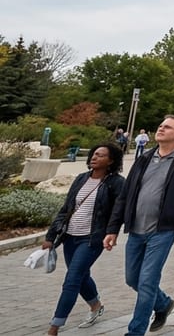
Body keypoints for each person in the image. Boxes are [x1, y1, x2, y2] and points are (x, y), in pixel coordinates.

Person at [104, 115, 174, 335]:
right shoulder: (144, 158)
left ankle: (135, 331)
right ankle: (163, 303)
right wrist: (112, 229)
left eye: (167, 127)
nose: (161, 129)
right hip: (135, 229)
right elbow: (125, 196)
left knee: (147, 281)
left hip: (163, 230)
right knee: (133, 279)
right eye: (160, 126)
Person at [43, 142, 126, 335]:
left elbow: (118, 212)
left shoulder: (116, 183)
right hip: (70, 237)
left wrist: (112, 232)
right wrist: (50, 236)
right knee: (81, 276)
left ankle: (54, 327)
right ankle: (96, 305)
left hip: (91, 239)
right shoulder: (81, 178)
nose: (94, 157)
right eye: (94, 154)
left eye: (101, 155)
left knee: (72, 280)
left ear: (111, 161)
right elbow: (66, 209)